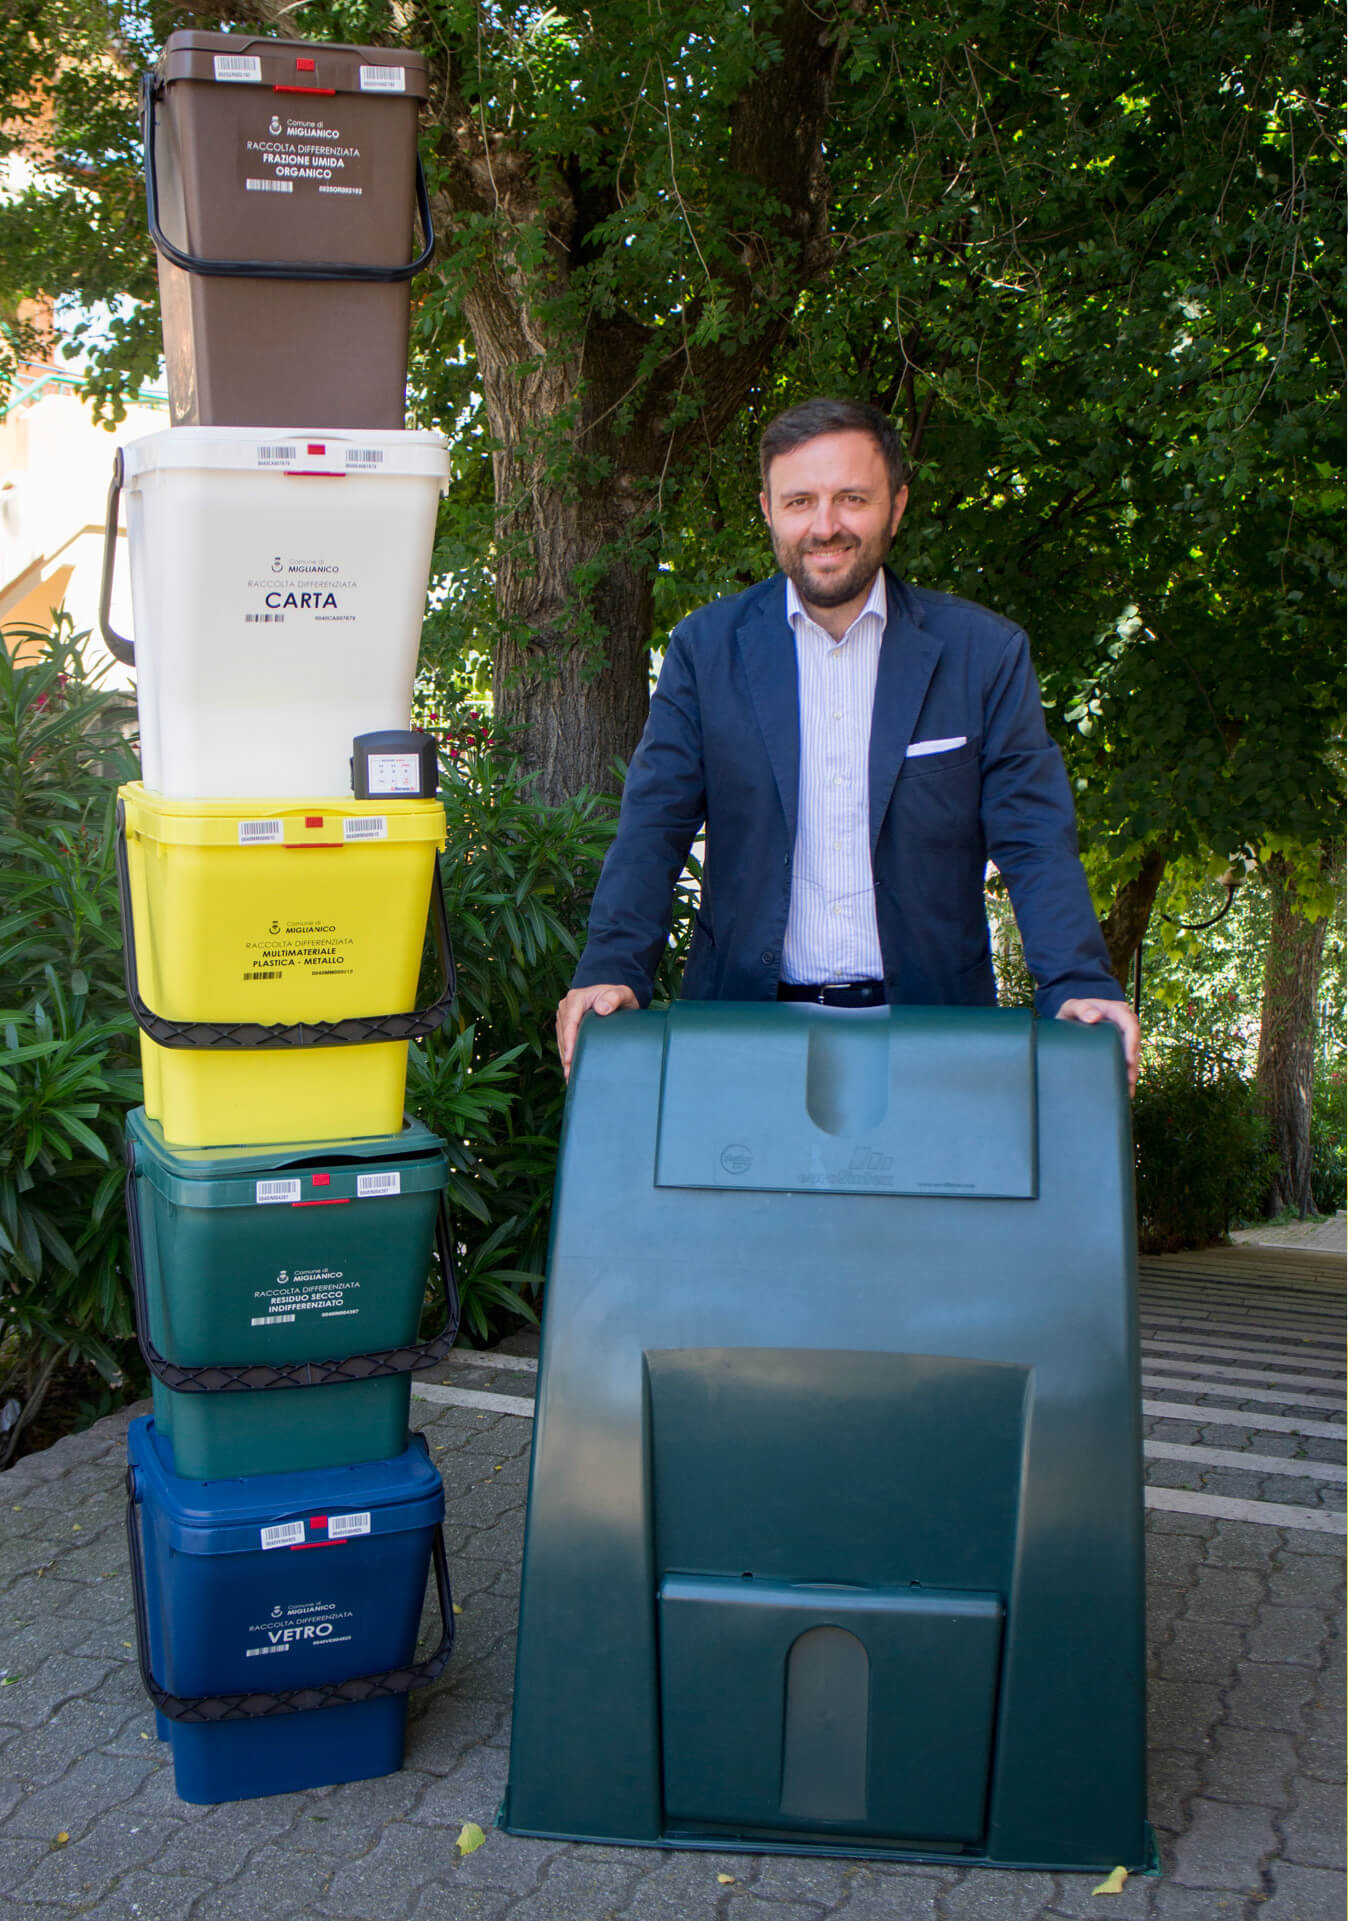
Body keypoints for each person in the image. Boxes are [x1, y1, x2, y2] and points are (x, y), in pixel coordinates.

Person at [556, 397, 1139, 1090]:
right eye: (800, 500)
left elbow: (1035, 836)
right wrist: (610, 968)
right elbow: (653, 826)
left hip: (934, 1047)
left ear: (895, 505)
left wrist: (1077, 979)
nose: (824, 525)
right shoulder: (703, 652)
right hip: (741, 1041)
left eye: (851, 498)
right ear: (768, 509)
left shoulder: (984, 655)